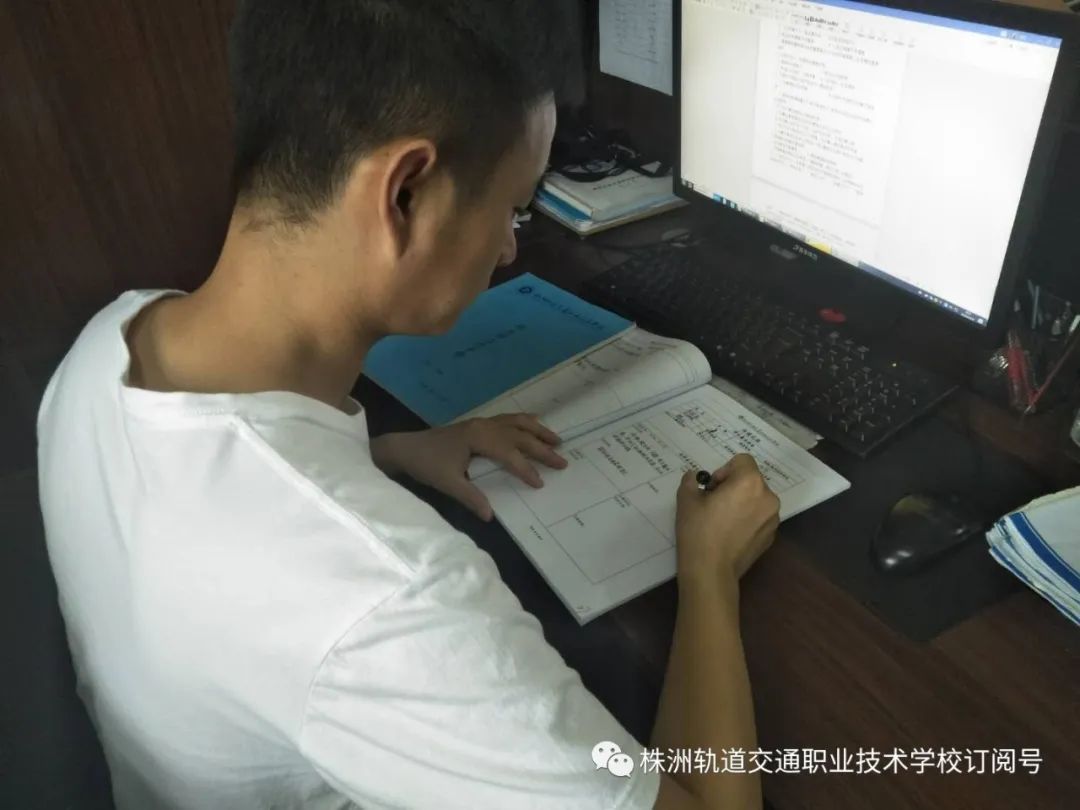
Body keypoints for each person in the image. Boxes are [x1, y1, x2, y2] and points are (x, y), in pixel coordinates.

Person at [36, 2, 780, 808]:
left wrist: (386, 454)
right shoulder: (390, 607)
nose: (509, 247)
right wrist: (708, 575)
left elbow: (225, 487)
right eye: (513, 207)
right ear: (405, 194)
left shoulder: (110, 343)